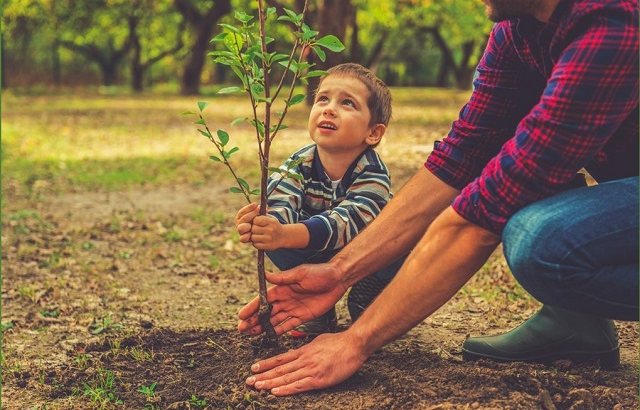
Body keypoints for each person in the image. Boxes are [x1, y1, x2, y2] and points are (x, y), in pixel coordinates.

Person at [235, 0, 639, 396]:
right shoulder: (517, 31)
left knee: (540, 241)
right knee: (523, 161)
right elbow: (461, 156)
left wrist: (355, 340)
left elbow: (482, 215)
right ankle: (576, 323)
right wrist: (339, 272)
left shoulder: (612, 20)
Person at [235, 63, 406, 338]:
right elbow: (281, 200)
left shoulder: (373, 172)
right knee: (276, 241)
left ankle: (372, 291)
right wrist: (267, 226)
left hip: (366, 253)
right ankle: (319, 309)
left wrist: (288, 233)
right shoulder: (300, 162)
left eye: (347, 103)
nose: (329, 108)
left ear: (373, 132)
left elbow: (349, 222)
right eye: (323, 99)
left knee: (402, 244)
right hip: (316, 249)